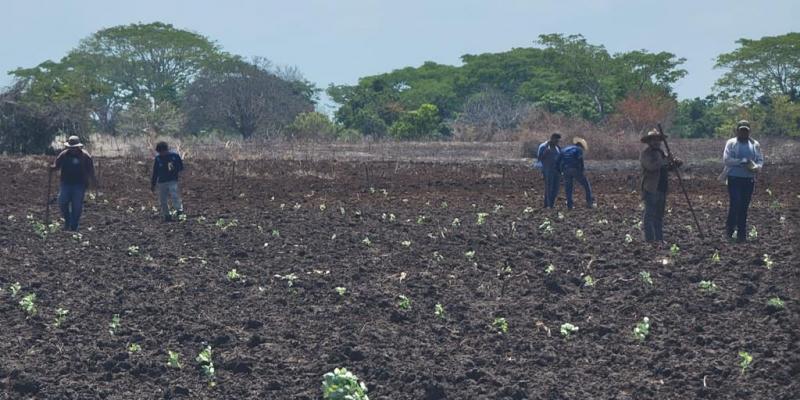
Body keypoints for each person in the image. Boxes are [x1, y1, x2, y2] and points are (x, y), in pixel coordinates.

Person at [721, 120, 764, 243]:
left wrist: (757, 167)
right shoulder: (731, 143)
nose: (744, 133)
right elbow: (727, 159)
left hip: (749, 179)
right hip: (734, 178)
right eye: (741, 130)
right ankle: (730, 229)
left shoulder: (755, 144)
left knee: (744, 206)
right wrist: (742, 161)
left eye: (746, 131)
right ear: (737, 131)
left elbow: (760, 159)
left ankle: (742, 233)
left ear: (749, 131)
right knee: (735, 203)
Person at [639, 130, 682, 242]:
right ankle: (650, 240)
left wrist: (675, 163)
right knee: (649, 215)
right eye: (654, 140)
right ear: (649, 141)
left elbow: (666, 168)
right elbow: (651, 167)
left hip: (662, 188)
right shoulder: (646, 154)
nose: (656, 142)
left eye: (658, 139)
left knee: (659, 216)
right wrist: (665, 160)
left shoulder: (661, 153)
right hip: (651, 188)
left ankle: (659, 240)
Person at [51, 136, 97, 231]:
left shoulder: (85, 156)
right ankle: (67, 220)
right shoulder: (64, 155)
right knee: (62, 202)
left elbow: (91, 170)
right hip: (66, 183)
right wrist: (52, 168)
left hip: (80, 184)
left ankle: (74, 225)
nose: (72, 149)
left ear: (78, 147)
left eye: (74, 147)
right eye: (71, 147)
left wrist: (93, 181)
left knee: (77, 205)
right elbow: (57, 166)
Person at [150, 141, 185, 222]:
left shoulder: (174, 156)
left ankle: (179, 212)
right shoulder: (158, 158)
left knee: (174, 196)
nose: (161, 154)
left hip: (172, 180)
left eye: (162, 152)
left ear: (166, 150)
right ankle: (167, 215)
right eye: (159, 152)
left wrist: (174, 168)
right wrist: (153, 184)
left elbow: (181, 167)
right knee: (163, 200)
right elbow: (155, 172)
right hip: (162, 182)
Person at [558, 137, 594, 209]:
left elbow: (558, 160)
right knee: (586, 185)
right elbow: (580, 160)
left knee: (568, 187)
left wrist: (560, 170)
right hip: (574, 168)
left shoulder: (565, 149)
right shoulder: (578, 149)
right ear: (581, 145)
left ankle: (569, 205)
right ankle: (589, 202)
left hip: (565, 169)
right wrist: (581, 170)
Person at [535, 133, 562, 208]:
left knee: (555, 188)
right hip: (548, 170)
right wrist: (545, 153)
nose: (557, 142)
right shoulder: (543, 146)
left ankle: (551, 204)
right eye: (556, 140)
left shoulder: (557, 147)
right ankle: (548, 205)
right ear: (552, 139)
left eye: (558, 141)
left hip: (557, 170)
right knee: (549, 188)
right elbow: (539, 158)